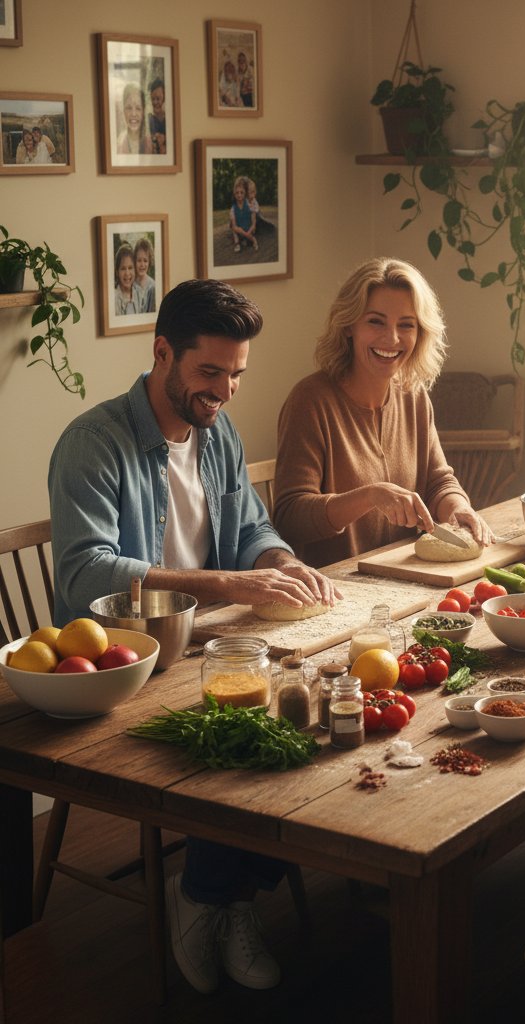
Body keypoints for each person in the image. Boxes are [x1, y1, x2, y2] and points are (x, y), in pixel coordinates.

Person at [49, 278, 340, 994]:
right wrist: (228, 584)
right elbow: (85, 575)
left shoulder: (218, 434)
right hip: (123, 664)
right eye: (209, 372)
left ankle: (218, 897)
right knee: (243, 730)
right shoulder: (95, 442)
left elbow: (250, 531)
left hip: (211, 647)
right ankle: (216, 897)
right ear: (161, 353)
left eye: (236, 374)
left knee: (314, 721)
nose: (225, 392)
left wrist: (278, 560)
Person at [273, 257, 493, 566]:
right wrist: (369, 496)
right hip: (336, 588)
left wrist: (458, 509)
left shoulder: (413, 395)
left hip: (408, 580)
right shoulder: (310, 401)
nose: (391, 339)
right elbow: (290, 517)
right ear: (349, 325)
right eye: (375, 321)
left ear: (420, 335)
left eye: (406, 325)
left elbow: (439, 482)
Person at [116, 82, 153, 155]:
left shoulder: (150, 144)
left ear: (143, 112)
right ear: (123, 110)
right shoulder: (118, 144)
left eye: (138, 108)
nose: (133, 114)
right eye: (129, 108)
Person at [228, 176, 257, 254]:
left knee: (249, 240)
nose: (239, 195)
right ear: (234, 194)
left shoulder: (249, 203)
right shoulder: (233, 209)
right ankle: (237, 243)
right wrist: (245, 234)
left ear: (245, 193)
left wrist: (250, 230)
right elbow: (234, 227)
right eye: (237, 193)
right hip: (239, 230)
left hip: (248, 228)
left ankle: (247, 239)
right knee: (233, 226)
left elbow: (254, 222)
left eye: (242, 192)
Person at [112, 243, 141, 316]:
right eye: (123, 269)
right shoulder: (114, 298)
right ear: (117, 272)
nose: (127, 273)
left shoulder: (140, 293)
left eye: (130, 268)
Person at [133, 236, 156, 313]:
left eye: (145, 261)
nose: (142, 264)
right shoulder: (131, 285)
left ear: (149, 262)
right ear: (134, 261)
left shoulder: (153, 286)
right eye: (139, 260)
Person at [147, 78, 166, 154]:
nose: (155, 102)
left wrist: (164, 138)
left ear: (164, 98)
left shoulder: (169, 120)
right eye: (153, 99)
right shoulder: (148, 119)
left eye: (158, 99)